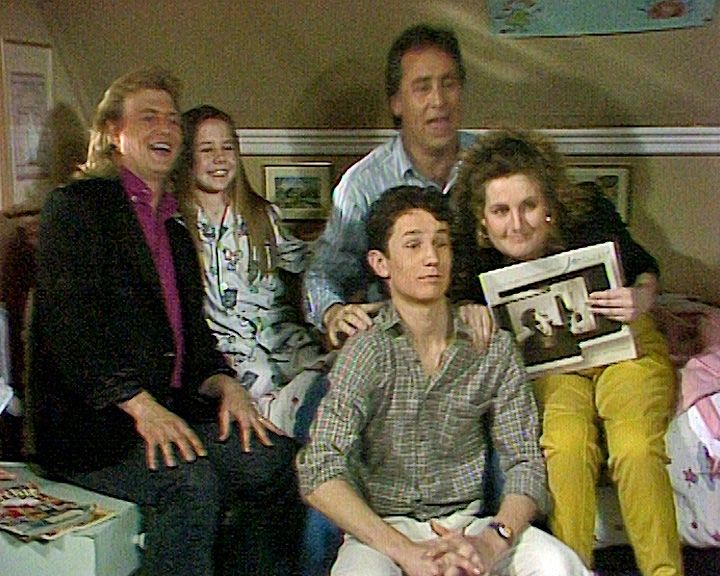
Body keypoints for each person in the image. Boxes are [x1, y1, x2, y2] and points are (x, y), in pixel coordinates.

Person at [28, 68, 303, 576]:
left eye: (173, 120)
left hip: (171, 412)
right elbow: (73, 333)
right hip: (95, 433)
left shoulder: (174, 226)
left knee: (277, 461)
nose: (165, 129)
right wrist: (141, 407)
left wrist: (227, 386)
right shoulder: (77, 208)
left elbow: (195, 342)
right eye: (148, 117)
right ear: (114, 132)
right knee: (191, 482)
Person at [297, 185, 589, 576]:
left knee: (558, 563)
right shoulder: (367, 351)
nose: (431, 258)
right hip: (386, 530)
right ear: (381, 263)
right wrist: (405, 552)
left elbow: (526, 464)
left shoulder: (491, 346)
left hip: (472, 525)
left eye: (441, 244)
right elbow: (319, 468)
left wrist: (491, 541)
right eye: (413, 245)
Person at [451, 129, 683, 575]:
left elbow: (645, 269)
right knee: (565, 445)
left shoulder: (590, 215)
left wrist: (641, 296)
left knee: (634, 446)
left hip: (623, 346)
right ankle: (570, 568)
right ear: (482, 220)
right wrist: (466, 308)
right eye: (500, 211)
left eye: (529, 206)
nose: (517, 224)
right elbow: (452, 301)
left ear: (550, 206)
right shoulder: (472, 255)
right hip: (553, 366)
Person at [303, 23, 482, 348]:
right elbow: (323, 274)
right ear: (397, 103)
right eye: (422, 87)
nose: (439, 100)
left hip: (482, 333)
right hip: (398, 343)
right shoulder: (363, 185)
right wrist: (333, 312)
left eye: (449, 84)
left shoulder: (491, 165)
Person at [171, 104, 326, 437]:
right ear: (186, 157)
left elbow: (306, 262)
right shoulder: (179, 226)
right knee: (264, 396)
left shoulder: (261, 215)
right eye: (206, 150)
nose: (220, 158)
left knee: (334, 374)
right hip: (231, 351)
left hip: (281, 337)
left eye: (227, 148)